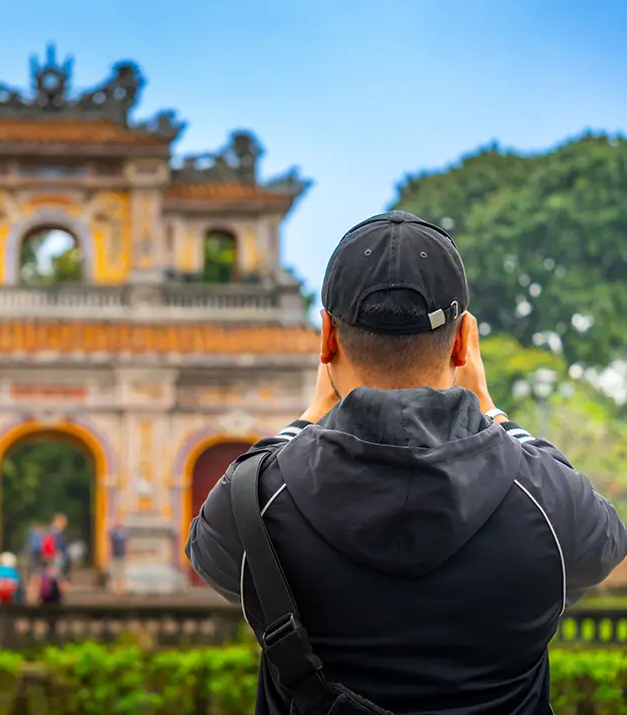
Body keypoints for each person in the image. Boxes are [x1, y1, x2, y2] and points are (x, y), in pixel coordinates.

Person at [186, 211, 627, 715]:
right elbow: (604, 541)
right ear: (463, 343)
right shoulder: (546, 499)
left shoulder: (256, 503)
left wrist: (308, 418)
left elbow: (208, 548)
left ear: (327, 338)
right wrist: (492, 410)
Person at [107, 519, 129, 595]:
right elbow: (110, 544)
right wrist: (109, 554)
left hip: (122, 555)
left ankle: (122, 589)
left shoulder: (125, 533)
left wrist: (127, 554)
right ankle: (116, 590)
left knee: (122, 573)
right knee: (115, 573)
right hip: (115, 555)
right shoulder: (113, 533)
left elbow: (126, 544)